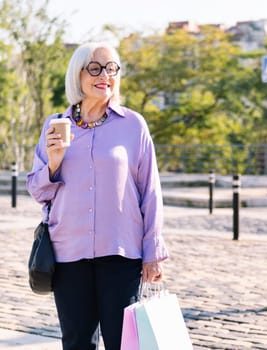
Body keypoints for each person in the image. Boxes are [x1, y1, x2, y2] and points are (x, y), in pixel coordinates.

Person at [26, 42, 169, 350]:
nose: (105, 75)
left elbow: (150, 191)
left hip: (121, 254)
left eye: (112, 68)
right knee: (77, 343)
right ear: (77, 75)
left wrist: (153, 251)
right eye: (95, 68)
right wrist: (54, 161)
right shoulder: (55, 126)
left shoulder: (133, 125)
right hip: (68, 255)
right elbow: (38, 191)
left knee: (124, 344)